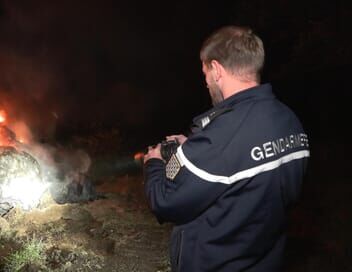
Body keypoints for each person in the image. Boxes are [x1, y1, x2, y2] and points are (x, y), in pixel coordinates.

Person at [143, 25, 309, 272]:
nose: (206, 83)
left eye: (205, 74)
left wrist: (155, 162)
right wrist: (192, 150)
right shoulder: (290, 122)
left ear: (217, 69)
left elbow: (165, 202)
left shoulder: (220, 138)